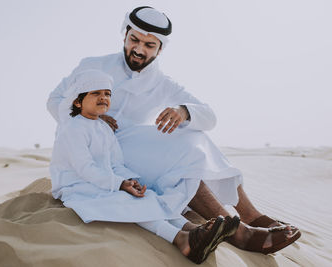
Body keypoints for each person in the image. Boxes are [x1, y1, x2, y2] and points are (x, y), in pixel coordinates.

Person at [47, 6, 300, 254]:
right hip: (90, 149)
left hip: (132, 146)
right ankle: (242, 234)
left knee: (194, 136)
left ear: (160, 49)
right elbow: (54, 100)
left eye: (149, 45)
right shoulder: (93, 65)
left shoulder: (161, 82)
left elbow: (209, 116)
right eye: (134, 39)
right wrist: (90, 118)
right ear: (124, 35)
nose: (138, 49)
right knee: (178, 161)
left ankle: (252, 216)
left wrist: (184, 111)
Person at [50, 69, 239, 264]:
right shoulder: (72, 128)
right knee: (126, 200)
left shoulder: (104, 128)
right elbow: (84, 169)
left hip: (104, 180)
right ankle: (181, 239)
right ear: (78, 101)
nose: (103, 98)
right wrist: (120, 184)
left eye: (107, 94)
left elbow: (115, 163)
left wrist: (130, 181)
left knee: (149, 196)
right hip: (77, 184)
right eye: (95, 93)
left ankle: (191, 229)